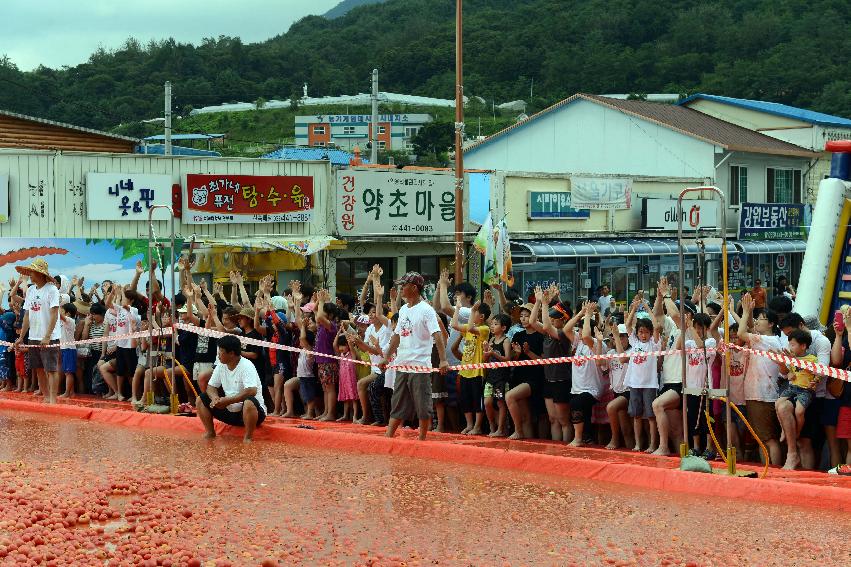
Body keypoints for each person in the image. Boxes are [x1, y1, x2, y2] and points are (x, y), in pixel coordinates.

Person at [384, 272, 448, 441]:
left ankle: (422, 439)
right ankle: (388, 437)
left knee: (423, 405)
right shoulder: (403, 309)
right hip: (402, 364)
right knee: (397, 403)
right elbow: (397, 336)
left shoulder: (427, 310)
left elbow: (437, 335)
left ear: (414, 288)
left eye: (404, 285)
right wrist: (387, 356)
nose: (401, 288)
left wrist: (442, 359)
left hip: (420, 366)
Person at [738, 293, 783, 466]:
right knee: (762, 439)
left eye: (761, 318)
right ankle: (768, 470)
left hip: (763, 395)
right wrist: (748, 313)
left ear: (771, 323)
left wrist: (746, 312)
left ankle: (774, 471)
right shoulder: (764, 339)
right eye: (757, 318)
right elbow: (748, 328)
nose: (757, 321)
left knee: (768, 439)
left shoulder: (768, 340)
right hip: (756, 393)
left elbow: (742, 332)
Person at [196, 334, 266, 442]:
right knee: (201, 399)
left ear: (232, 353)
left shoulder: (247, 365)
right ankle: (210, 432)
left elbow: (252, 390)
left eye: (221, 352)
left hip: (251, 413)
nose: (218, 355)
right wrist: (215, 398)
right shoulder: (221, 365)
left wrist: (229, 400)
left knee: (249, 402)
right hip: (230, 412)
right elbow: (211, 386)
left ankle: (248, 437)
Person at [13, 259, 62, 404]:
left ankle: (53, 400)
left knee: (51, 369)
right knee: (39, 368)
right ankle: (46, 397)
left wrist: (47, 336)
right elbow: (27, 314)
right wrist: (22, 336)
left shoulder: (52, 289)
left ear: (40, 274)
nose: (30, 274)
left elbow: (54, 313)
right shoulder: (31, 290)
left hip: (50, 337)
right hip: (33, 336)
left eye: (32, 272)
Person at [775, 329, 820, 470]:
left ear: (804, 346)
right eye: (790, 344)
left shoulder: (812, 359)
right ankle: (784, 429)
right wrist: (787, 371)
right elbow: (787, 372)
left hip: (805, 390)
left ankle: (796, 433)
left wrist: (816, 380)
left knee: (800, 411)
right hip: (793, 388)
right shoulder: (791, 358)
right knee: (778, 403)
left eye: (793, 345)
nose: (790, 348)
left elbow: (818, 373)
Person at [452, 298, 490, 435]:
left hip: (477, 371)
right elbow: (454, 325)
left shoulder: (484, 329)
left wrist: (473, 309)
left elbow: (470, 328)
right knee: (465, 399)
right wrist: (457, 308)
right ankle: (469, 425)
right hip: (465, 371)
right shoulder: (468, 329)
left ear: (482, 317)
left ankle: (478, 426)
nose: (471, 316)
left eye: (474, 313)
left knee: (477, 400)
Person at [605, 322, 633, 450]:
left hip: (629, 392)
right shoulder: (610, 352)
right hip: (616, 392)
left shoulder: (632, 351)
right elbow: (600, 364)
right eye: (617, 336)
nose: (619, 339)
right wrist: (600, 342)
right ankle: (631, 458)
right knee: (626, 431)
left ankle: (614, 438)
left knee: (611, 407)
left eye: (622, 336)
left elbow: (622, 359)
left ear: (628, 337)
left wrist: (615, 337)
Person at [483, 313, 512, 437]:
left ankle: (501, 429)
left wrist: (493, 354)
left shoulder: (506, 341)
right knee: (487, 403)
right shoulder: (491, 340)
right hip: (490, 377)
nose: (492, 326)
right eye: (492, 324)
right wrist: (485, 351)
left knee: (500, 403)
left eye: (495, 324)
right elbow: (485, 360)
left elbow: (507, 359)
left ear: (504, 328)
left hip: (501, 378)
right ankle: (492, 425)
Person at [58, 303, 78, 399]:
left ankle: (66, 393)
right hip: (65, 348)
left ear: (68, 313)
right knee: (68, 372)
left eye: (62, 310)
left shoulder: (70, 320)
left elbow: (59, 315)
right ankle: (71, 392)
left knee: (68, 372)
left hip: (69, 348)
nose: (61, 311)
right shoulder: (65, 321)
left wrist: (54, 305)